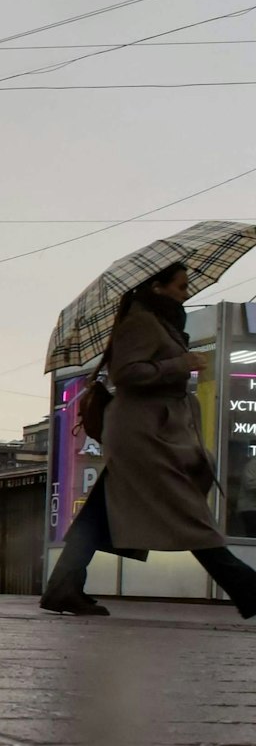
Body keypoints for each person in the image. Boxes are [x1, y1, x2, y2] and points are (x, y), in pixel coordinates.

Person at [41, 264, 256, 618]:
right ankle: (248, 589)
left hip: (153, 430)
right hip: (145, 434)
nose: (187, 293)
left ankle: (62, 588)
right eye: (181, 286)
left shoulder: (160, 321)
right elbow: (127, 374)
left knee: (101, 513)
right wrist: (182, 363)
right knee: (185, 510)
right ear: (157, 287)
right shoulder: (141, 322)